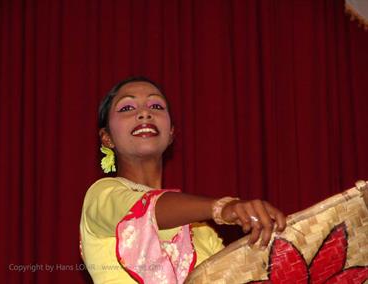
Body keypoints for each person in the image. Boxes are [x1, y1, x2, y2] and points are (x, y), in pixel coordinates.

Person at [79, 76, 286, 284]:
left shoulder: (201, 233)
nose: (144, 113)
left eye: (156, 106)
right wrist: (223, 208)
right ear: (107, 138)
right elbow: (145, 208)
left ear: (170, 133)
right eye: (127, 108)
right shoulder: (101, 195)